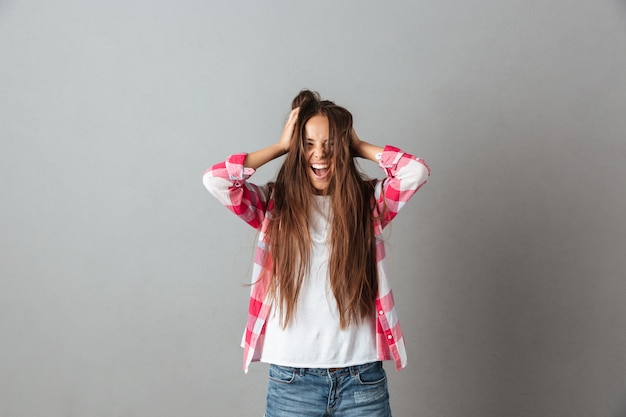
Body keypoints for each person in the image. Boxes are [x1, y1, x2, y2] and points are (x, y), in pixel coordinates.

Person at [203, 90, 430, 417]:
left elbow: (415, 172)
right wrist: (280, 146)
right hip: (292, 380)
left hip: (361, 377)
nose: (320, 154)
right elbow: (216, 180)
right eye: (308, 143)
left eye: (331, 144)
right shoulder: (273, 207)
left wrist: (358, 144)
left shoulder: (368, 205)